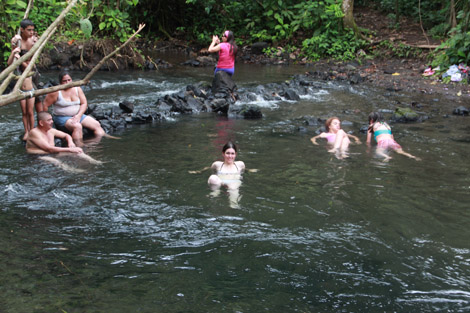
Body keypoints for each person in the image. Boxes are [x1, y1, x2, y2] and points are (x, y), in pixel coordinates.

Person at [43, 71, 106, 143]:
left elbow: (84, 103)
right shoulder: (55, 92)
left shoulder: (77, 88)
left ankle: (96, 144)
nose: (67, 82)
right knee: (77, 126)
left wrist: (78, 115)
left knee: (96, 124)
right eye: (64, 81)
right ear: (60, 82)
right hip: (62, 117)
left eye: (69, 80)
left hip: (78, 115)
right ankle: (79, 147)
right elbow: (45, 105)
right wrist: (47, 120)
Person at [26, 112, 101, 172]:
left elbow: (66, 135)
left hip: (52, 153)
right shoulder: (34, 133)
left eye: (52, 119)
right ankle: (74, 171)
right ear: (41, 123)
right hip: (38, 156)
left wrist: (70, 142)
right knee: (56, 161)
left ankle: (95, 162)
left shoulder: (51, 130)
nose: (52, 122)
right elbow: (48, 149)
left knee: (78, 151)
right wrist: (69, 149)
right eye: (49, 120)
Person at [189, 142, 256, 208]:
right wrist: (198, 172)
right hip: (220, 183)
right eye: (228, 153)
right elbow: (209, 168)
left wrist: (250, 170)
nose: (230, 156)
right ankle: (215, 195)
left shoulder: (240, 164)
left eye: (232, 153)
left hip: (233, 184)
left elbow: (244, 170)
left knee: (233, 203)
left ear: (235, 154)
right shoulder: (217, 164)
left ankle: (233, 207)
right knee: (213, 178)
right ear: (223, 154)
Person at [7, 19, 40, 141]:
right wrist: (14, 52)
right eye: (29, 30)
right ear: (22, 30)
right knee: (24, 111)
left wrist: (36, 42)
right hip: (20, 77)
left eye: (32, 30)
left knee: (31, 110)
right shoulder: (17, 42)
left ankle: (32, 131)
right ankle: (26, 131)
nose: (31, 32)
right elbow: (10, 64)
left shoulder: (33, 40)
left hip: (31, 74)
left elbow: (33, 61)